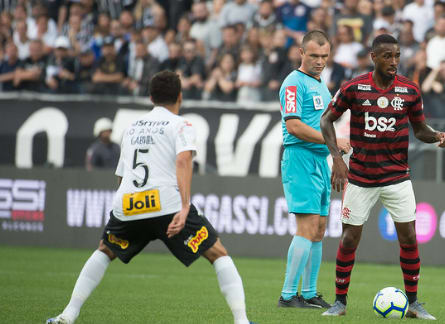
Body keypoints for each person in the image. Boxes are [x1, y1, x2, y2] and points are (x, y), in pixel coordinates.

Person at [47, 71, 254, 324]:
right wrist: (185, 206)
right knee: (217, 253)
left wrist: (120, 211)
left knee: (104, 250)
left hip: (128, 205)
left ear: (150, 97)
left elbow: (122, 176)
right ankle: (241, 321)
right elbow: (183, 160)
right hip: (166, 205)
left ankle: (68, 314)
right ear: (180, 96)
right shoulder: (181, 125)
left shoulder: (131, 128)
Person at [320, 34, 445, 319]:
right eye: (388, 56)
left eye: (397, 56)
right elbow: (326, 119)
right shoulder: (354, 87)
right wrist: (337, 159)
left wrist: (437, 136)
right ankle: (339, 303)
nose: (394, 61)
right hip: (361, 177)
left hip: (397, 177)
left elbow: (420, 129)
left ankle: (414, 303)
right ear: (374, 57)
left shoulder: (410, 90)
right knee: (349, 239)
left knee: (409, 237)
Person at [277, 30, 350, 309]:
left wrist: (334, 153)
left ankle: (308, 293)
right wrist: (333, 142)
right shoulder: (293, 84)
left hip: (320, 162)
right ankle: (287, 295)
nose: (320, 61)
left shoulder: (320, 84)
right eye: (314, 56)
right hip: (300, 159)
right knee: (306, 227)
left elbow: (324, 123)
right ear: (302, 53)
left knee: (319, 229)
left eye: (324, 56)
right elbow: (294, 126)